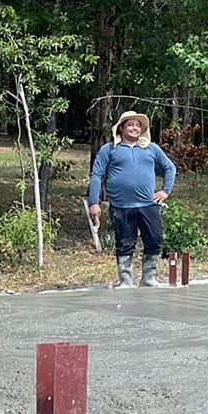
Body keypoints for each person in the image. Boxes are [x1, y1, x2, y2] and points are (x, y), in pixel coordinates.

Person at [87, 110, 177, 288]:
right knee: (124, 243)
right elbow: (96, 175)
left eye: (138, 125)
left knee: (155, 239)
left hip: (148, 205)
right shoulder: (109, 149)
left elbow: (170, 168)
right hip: (121, 206)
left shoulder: (151, 149)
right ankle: (126, 281)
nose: (135, 128)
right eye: (130, 124)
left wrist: (165, 191)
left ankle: (148, 279)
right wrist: (94, 203)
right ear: (121, 128)